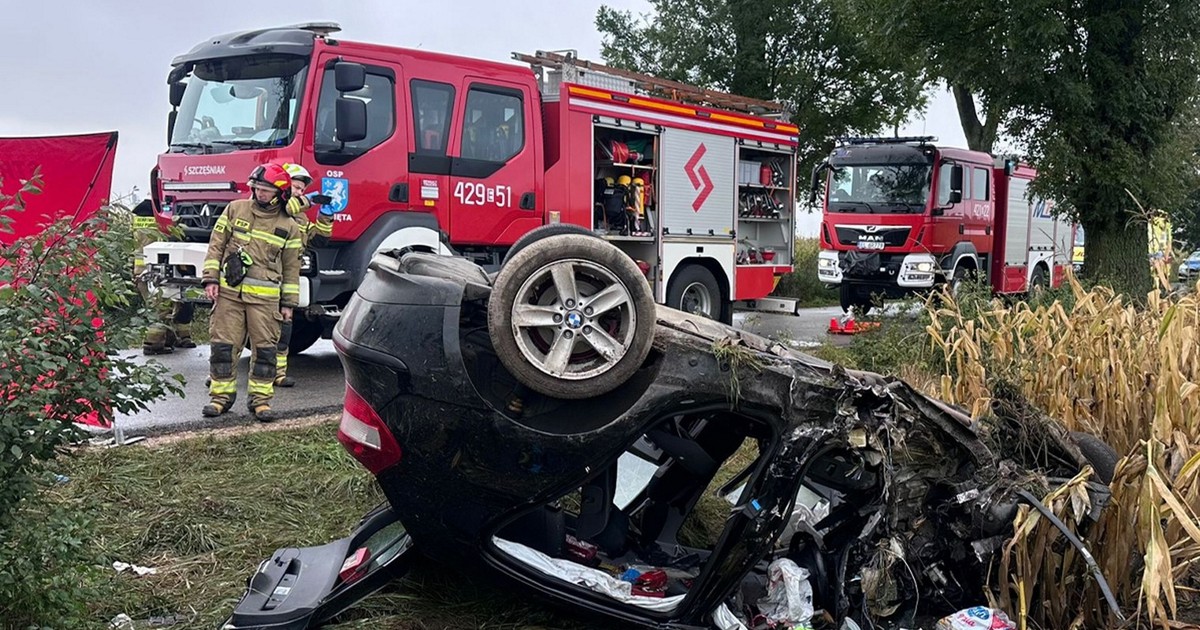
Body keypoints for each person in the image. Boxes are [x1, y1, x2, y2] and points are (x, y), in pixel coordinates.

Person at [200, 162, 303, 421]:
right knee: (223, 347)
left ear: (281, 193)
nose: (260, 194)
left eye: (267, 190)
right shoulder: (235, 209)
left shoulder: (289, 226)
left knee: (266, 351)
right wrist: (211, 279)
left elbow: (292, 268)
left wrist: (288, 303)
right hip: (229, 295)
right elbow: (216, 245)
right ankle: (220, 398)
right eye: (257, 188)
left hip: (266, 301)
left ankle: (260, 401)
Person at [273, 162, 334, 388]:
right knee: (246, 328)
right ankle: (221, 374)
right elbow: (284, 208)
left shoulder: (300, 219)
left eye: (303, 189)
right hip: (264, 278)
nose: (301, 193)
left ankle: (278, 374)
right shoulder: (272, 209)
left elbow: (317, 240)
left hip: (287, 278)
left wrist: (326, 217)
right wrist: (306, 201)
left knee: (284, 326)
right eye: (296, 187)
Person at [132, 200, 196, 354]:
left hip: (141, 272)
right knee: (162, 306)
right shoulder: (162, 220)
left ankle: (168, 339)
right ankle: (153, 343)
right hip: (157, 270)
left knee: (161, 306)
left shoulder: (137, 220)